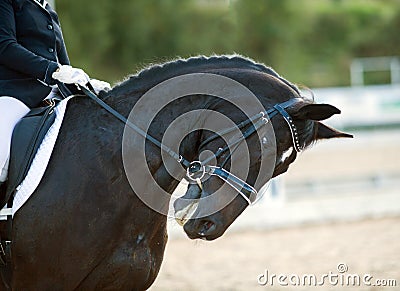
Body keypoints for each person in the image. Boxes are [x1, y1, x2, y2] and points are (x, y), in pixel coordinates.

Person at [0, 0, 110, 185]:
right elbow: (5, 46)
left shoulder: (48, 11)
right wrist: (52, 70)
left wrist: (86, 82)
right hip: (15, 92)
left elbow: (63, 64)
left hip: (52, 93)